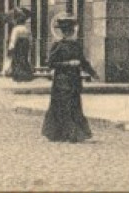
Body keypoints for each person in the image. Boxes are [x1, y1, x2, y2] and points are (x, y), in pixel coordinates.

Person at [41, 15, 96, 143]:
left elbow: (83, 61)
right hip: (61, 81)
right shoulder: (58, 46)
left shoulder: (76, 46)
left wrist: (92, 72)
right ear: (64, 33)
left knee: (74, 106)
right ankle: (62, 134)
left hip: (74, 80)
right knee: (63, 106)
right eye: (69, 32)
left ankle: (73, 133)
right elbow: (50, 64)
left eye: (72, 31)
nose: (71, 34)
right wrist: (68, 64)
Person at [6, 8, 35, 83]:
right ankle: (26, 76)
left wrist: (11, 48)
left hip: (18, 47)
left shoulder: (16, 29)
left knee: (17, 61)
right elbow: (30, 39)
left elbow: (13, 40)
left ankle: (18, 77)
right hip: (25, 47)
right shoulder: (26, 29)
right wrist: (30, 47)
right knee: (24, 60)